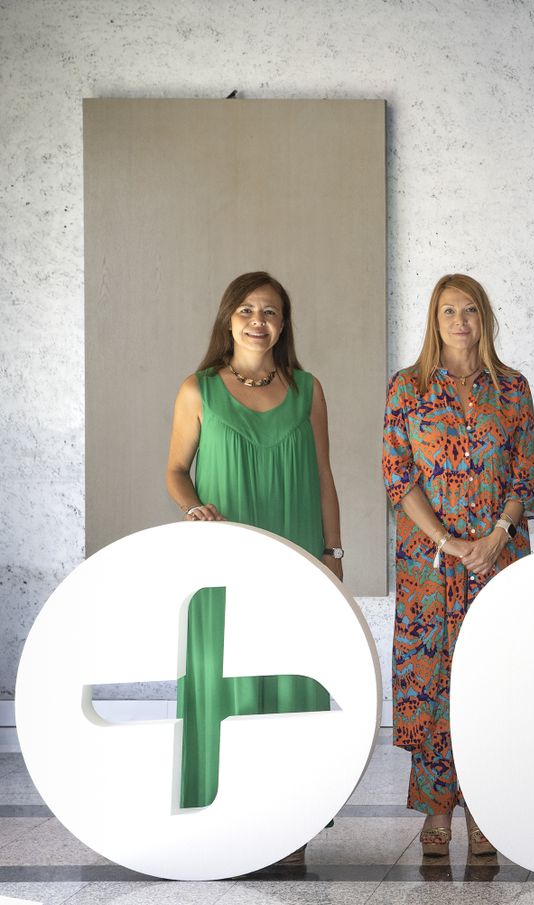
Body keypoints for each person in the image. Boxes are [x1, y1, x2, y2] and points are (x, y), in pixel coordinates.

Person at [165, 271, 343, 861]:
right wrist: (194, 508)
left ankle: (288, 822)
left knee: (286, 683)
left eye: (270, 311)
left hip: (296, 555)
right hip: (225, 555)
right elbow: (174, 471)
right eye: (246, 310)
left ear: (283, 324)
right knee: (220, 682)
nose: (258, 320)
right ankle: (221, 814)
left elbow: (323, 475)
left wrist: (333, 553)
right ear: (228, 319)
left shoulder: (307, 389)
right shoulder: (198, 390)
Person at [382, 274, 534, 859]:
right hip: (430, 563)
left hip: (499, 559)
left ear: (484, 318)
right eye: (448, 310)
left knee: (492, 680)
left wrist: (496, 536)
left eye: (469, 309)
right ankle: (437, 805)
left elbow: (523, 477)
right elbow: (399, 479)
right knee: (435, 681)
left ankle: (486, 805)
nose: (459, 320)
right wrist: (448, 542)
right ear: (434, 319)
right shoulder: (407, 388)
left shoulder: (513, 389)